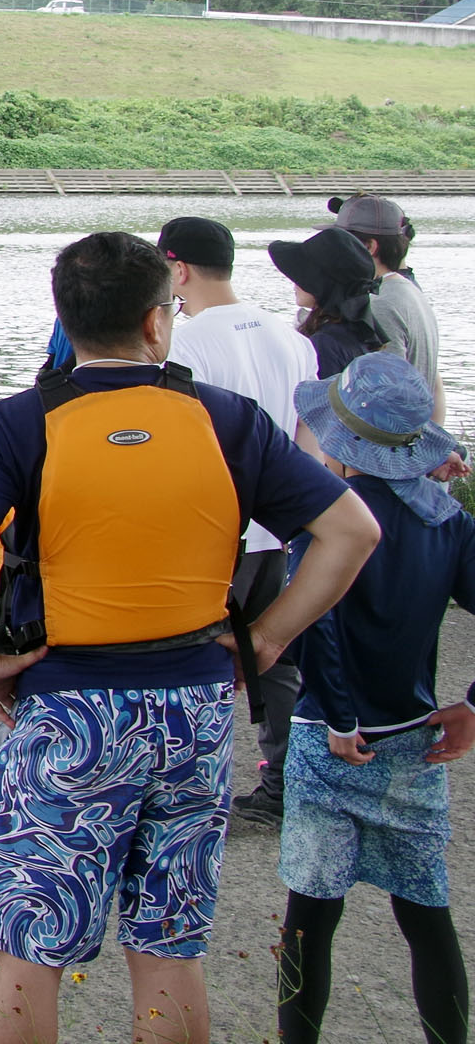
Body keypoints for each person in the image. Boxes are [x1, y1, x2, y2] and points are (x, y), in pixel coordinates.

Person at [0, 230, 380, 1044]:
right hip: (193, 710)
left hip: (70, 710)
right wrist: (267, 638)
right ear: (155, 323)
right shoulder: (226, 420)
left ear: (66, 319)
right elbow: (351, 532)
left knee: (31, 950)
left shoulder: (20, 423)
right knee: (169, 948)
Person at [274, 352, 471, 1044]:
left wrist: (336, 715)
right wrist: (473, 703)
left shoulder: (329, 524)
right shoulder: (447, 522)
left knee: (310, 914)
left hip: (329, 740)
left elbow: (315, 624)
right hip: (415, 734)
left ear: (341, 443)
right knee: (425, 912)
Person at [155, 215, 319, 828]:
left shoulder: (186, 342)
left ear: (178, 269)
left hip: (213, 528)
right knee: (272, 657)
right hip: (278, 528)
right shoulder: (293, 338)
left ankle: (186, 781)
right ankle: (283, 781)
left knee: (193, 653)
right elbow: (308, 444)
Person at [330, 192, 445, 423]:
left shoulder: (379, 302)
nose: (334, 251)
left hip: (391, 446)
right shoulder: (408, 289)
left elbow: (389, 395)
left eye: (341, 241)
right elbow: (435, 386)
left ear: (369, 247)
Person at [269, 226, 387, 378]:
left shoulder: (325, 343)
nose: (294, 284)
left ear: (320, 284)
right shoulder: (360, 331)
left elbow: (318, 400)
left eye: (301, 276)